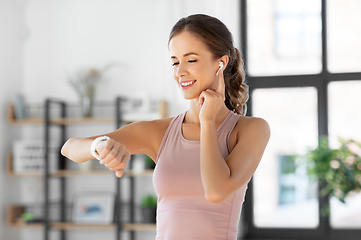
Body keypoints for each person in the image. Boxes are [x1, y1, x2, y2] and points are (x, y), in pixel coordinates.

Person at [61, 14, 270, 240]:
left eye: (191, 60)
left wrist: (207, 121)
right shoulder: (160, 132)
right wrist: (100, 146)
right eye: (175, 61)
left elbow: (216, 191)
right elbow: (70, 148)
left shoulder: (250, 130)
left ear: (220, 63)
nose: (180, 71)